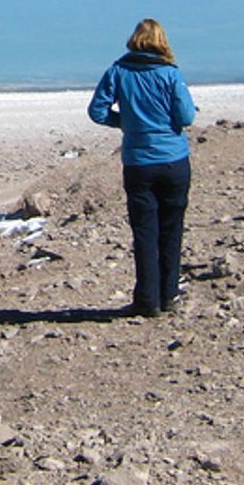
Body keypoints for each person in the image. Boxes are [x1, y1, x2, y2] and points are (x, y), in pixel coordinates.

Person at [88, 18, 198, 317]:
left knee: (145, 232)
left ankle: (147, 300)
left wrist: (128, 123)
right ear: (162, 42)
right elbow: (186, 117)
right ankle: (170, 295)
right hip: (174, 161)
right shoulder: (170, 74)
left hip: (138, 163)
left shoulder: (118, 71)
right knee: (171, 229)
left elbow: (97, 111)